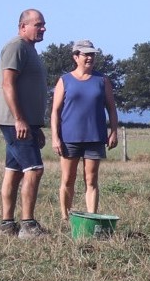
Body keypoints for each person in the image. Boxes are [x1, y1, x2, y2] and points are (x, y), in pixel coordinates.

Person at [51, 39, 119, 222]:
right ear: (76, 57)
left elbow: (111, 108)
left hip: (95, 137)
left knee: (91, 180)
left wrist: (113, 131)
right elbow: (55, 111)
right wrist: (55, 137)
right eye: (86, 54)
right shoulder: (64, 80)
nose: (90, 58)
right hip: (69, 138)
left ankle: (91, 217)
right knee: (68, 179)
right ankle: (65, 217)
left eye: (92, 54)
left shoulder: (102, 80)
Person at [0, 9, 50, 237]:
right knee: (34, 170)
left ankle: (7, 225)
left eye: (43, 24)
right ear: (22, 27)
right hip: (15, 122)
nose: (43, 28)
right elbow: (8, 84)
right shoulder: (16, 46)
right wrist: (19, 119)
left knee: (14, 171)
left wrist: (35, 124)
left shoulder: (30, 49)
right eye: (38, 24)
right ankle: (28, 225)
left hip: (27, 122)